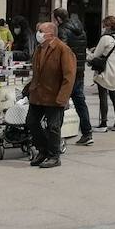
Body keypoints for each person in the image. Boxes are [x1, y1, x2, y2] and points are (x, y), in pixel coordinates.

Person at [25, 21, 76, 167]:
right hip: (37, 94)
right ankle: (42, 150)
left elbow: (69, 76)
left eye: (41, 31)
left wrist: (63, 97)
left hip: (54, 96)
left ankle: (54, 156)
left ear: (51, 34)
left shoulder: (63, 49)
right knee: (31, 122)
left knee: (53, 127)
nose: (38, 34)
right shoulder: (39, 48)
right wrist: (29, 88)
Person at [53, 8, 93, 145]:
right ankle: (87, 133)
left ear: (58, 18)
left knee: (60, 103)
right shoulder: (81, 30)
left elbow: (62, 50)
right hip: (80, 71)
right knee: (80, 103)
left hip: (68, 72)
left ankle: (56, 135)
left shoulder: (63, 30)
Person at [90, 16, 115, 131]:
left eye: (104, 25)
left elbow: (96, 55)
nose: (103, 28)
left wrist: (90, 53)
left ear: (108, 26)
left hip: (105, 71)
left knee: (103, 96)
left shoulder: (105, 38)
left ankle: (103, 123)